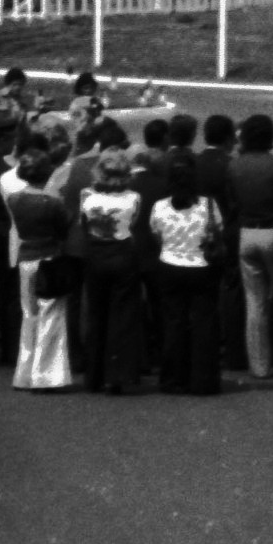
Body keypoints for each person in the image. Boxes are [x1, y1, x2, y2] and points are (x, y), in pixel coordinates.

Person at [145, 149, 226, 396]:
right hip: (201, 267)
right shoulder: (208, 205)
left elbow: (156, 235)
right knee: (204, 324)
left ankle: (173, 379)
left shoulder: (160, 207)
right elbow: (218, 230)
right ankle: (203, 380)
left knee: (173, 323)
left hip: (170, 265)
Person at [74, 150, 152, 395]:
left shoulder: (86, 195)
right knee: (123, 317)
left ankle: (93, 376)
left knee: (96, 314)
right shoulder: (134, 197)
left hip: (95, 255)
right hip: (123, 255)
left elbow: (83, 224)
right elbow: (134, 223)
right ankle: (117, 374)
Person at [8, 152, 76, 390]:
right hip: (49, 258)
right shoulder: (52, 203)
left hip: (26, 257)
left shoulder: (14, 199)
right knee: (51, 314)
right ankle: (46, 375)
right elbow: (64, 227)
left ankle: (24, 374)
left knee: (29, 314)